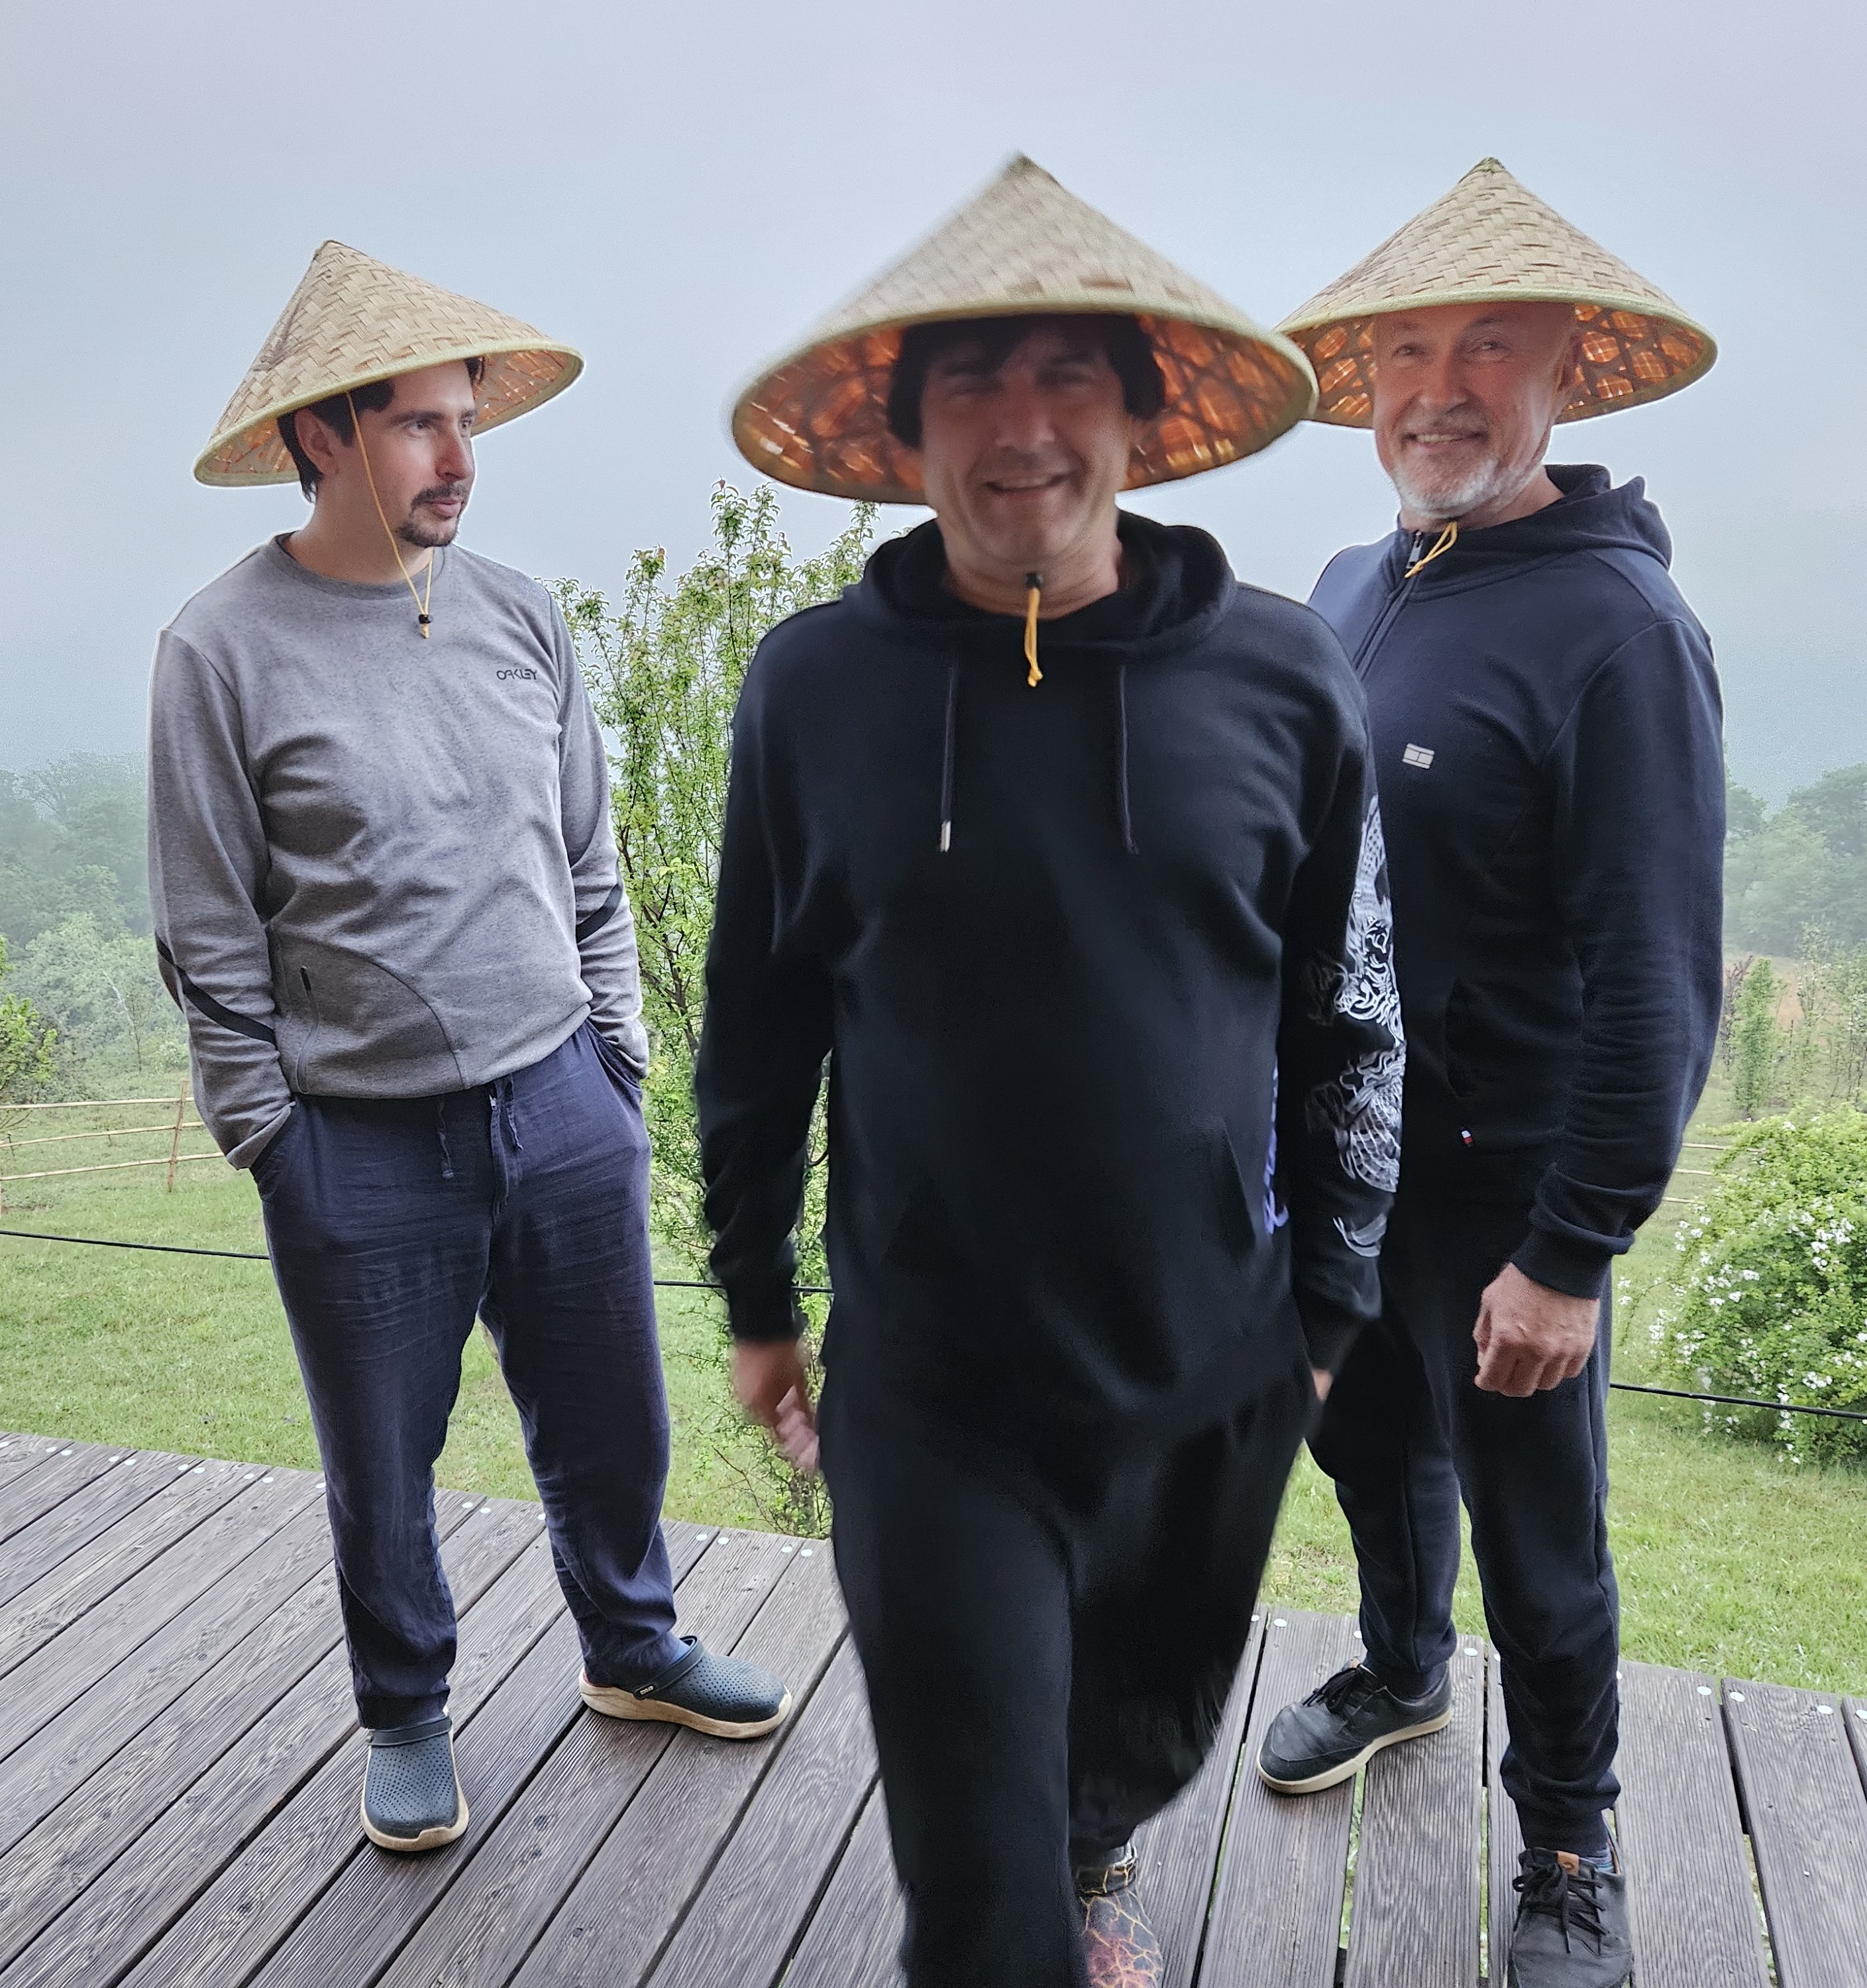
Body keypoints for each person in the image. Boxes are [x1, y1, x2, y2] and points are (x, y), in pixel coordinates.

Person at [700, 158, 1403, 1988]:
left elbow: (1349, 1018)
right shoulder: (814, 689)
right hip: (932, 1380)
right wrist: (758, 1297)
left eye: (1066, 377)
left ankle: (1094, 1845)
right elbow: (758, 1023)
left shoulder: (1286, 680)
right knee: (975, 1877)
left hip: (1210, 1365)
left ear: (1141, 414)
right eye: (971, 386)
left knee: (1135, 1733)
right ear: (903, 430)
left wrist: (1324, 1314)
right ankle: (1033, 1897)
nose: (1021, 429)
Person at [150, 240, 786, 1857]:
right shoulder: (220, 649)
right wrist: (271, 1142)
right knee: (384, 1460)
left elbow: (586, 863)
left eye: (467, 421)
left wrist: (615, 1067)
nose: (459, 458)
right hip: (354, 1141)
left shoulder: (522, 618)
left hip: (560, 1100)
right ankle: (406, 1712)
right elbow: (208, 932)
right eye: (420, 425)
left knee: (613, 1421)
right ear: (319, 435)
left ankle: (632, 1649)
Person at [1254, 159, 1725, 1987]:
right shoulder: (1353, 579)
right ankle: (1400, 1666)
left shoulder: (1621, 631)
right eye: (1405, 353)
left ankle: (1568, 1845)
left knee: (1542, 1536)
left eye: (1487, 350)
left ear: (1568, 376)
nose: (1435, 390)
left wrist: (1571, 1251)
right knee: (1370, 1447)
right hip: (1340, 1155)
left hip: (1502, 1182)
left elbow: (1656, 976)